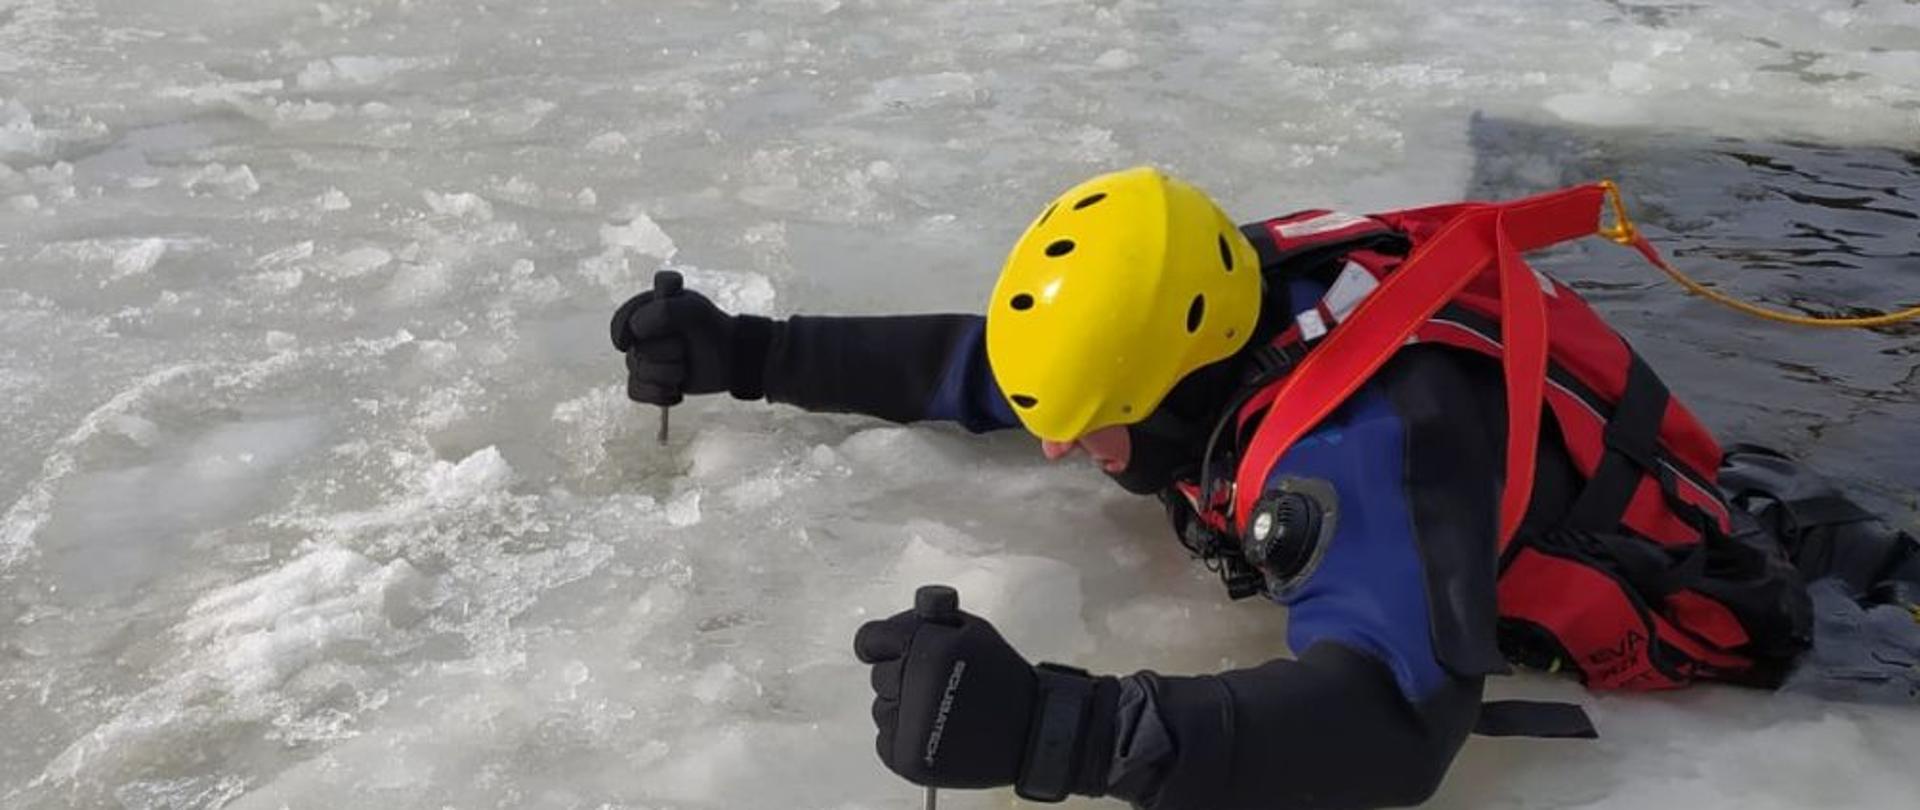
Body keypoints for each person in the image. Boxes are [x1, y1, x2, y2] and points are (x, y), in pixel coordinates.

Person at [609, 167, 1920, 809]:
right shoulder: (1215, 310)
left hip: (1748, 638)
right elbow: (981, 369)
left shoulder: (1366, 446)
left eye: (1095, 427)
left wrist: (1060, 732)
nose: (1059, 449)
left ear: (1176, 384)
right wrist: (752, 354)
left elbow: (1397, 725)